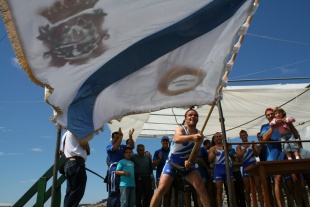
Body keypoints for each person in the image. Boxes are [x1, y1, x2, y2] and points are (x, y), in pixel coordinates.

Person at [150, 109, 210, 207]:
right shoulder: (180, 129)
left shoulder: (200, 135)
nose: (193, 116)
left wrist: (190, 161)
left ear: (197, 119)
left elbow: (195, 152)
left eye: (195, 115)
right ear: (185, 119)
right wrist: (193, 137)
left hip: (186, 165)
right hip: (172, 163)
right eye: (190, 115)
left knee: (201, 188)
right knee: (161, 189)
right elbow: (177, 139)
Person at [60, 130, 90, 207]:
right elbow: (84, 145)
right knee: (77, 192)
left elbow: (61, 151)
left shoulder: (65, 135)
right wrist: (87, 147)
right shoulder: (76, 129)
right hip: (77, 163)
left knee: (70, 193)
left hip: (68, 163)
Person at [107, 128, 135, 207]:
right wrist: (121, 137)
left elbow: (131, 147)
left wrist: (130, 136)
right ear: (112, 138)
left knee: (122, 194)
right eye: (116, 138)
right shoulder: (109, 146)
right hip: (114, 171)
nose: (118, 139)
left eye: (118, 138)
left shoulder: (122, 147)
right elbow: (115, 147)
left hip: (123, 172)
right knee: (114, 192)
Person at [236, 130, 264, 207]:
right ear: (240, 137)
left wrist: (253, 146)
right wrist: (245, 147)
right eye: (242, 136)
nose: (243, 136)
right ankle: (248, 205)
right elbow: (239, 156)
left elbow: (257, 154)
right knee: (247, 190)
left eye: (244, 135)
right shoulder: (239, 146)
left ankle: (262, 205)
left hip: (254, 166)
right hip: (245, 167)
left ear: (247, 135)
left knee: (258, 187)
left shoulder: (253, 143)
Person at [208, 132, 237, 207]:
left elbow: (235, 157)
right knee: (219, 190)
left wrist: (232, 154)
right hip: (218, 169)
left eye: (219, 136)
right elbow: (210, 160)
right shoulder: (212, 148)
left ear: (222, 138)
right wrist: (214, 154)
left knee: (232, 190)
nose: (218, 138)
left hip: (227, 168)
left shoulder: (227, 147)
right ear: (214, 139)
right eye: (216, 137)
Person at [152, 136, 176, 207]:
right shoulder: (157, 152)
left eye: (166, 141)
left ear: (168, 142)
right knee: (159, 195)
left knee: (167, 195)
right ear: (161, 142)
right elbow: (154, 164)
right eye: (164, 141)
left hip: (170, 176)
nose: (165, 142)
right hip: (160, 177)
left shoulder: (172, 151)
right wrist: (159, 159)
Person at [197, 139, 217, 207]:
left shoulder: (206, 151)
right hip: (202, 173)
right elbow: (199, 158)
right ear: (208, 143)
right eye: (210, 144)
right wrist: (207, 168)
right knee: (202, 192)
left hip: (207, 174)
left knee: (209, 191)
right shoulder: (202, 149)